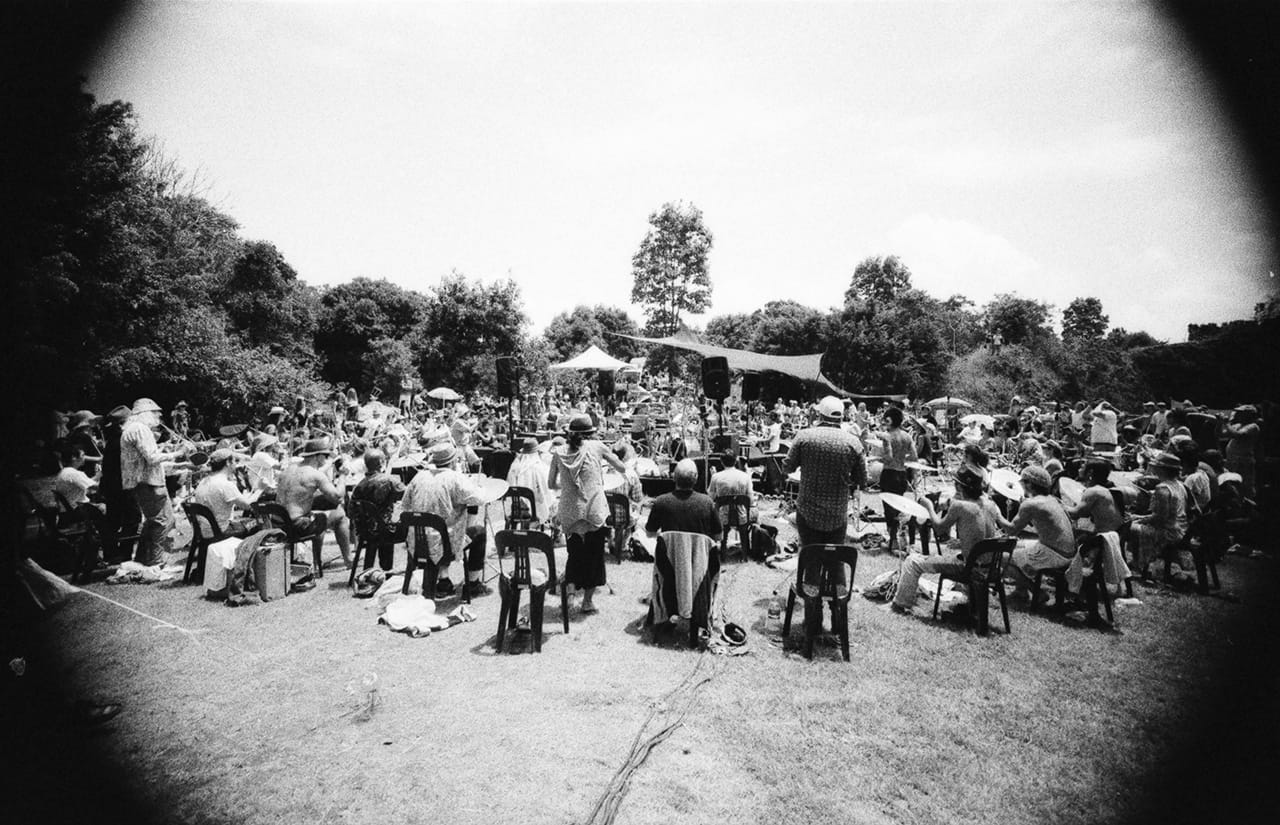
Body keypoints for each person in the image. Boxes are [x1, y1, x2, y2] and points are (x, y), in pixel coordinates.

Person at [889, 464, 1001, 615]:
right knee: (955, 557)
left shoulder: (960, 505)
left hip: (969, 568)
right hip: (991, 568)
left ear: (959, 486)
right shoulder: (990, 504)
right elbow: (981, 536)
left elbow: (939, 529)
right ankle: (972, 606)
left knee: (912, 562)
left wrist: (929, 506)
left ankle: (899, 604)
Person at [548, 414, 628, 614]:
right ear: (590, 433)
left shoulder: (558, 452)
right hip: (593, 509)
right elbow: (622, 467)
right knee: (594, 555)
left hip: (569, 510)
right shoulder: (598, 447)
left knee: (574, 553)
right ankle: (588, 602)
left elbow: (551, 484)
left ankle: (571, 594)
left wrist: (568, 487)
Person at [644, 459, 722, 633]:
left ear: (674, 477)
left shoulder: (662, 501)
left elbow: (649, 533)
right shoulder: (707, 502)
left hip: (668, 567)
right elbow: (718, 536)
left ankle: (665, 612)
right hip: (699, 569)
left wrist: (671, 542)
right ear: (696, 479)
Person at [401, 442, 487, 596]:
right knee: (478, 532)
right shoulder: (454, 478)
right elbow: (479, 499)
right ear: (453, 461)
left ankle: (444, 580)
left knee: (444, 524)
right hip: (444, 544)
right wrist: (477, 488)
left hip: (416, 543)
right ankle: (473, 583)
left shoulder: (419, 476)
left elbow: (405, 504)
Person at [782, 396, 867, 549]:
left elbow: (787, 467)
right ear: (842, 417)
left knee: (810, 559)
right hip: (837, 513)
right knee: (835, 561)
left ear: (819, 415)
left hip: (808, 511)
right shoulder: (853, 442)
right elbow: (862, 479)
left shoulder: (804, 436)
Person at [119, 398, 187, 567]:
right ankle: (156, 561)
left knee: (153, 522)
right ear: (145, 414)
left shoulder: (132, 429)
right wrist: (178, 453)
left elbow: (148, 461)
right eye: (156, 413)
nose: (159, 417)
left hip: (144, 483)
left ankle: (143, 559)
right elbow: (152, 458)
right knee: (163, 521)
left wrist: (180, 464)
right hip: (149, 484)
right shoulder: (141, 429)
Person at [275, 437, 352, 577]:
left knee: (318, 515)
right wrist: (342, 475)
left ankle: (318, 563)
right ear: (318, 456)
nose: (327, 459)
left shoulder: (288, 470)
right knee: (339, 515)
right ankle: (347, 560)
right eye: (326, 456)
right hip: (297, 526)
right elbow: (338, 496)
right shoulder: (315, 475)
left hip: (278, 524)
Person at [1002, 465, 1077, 602]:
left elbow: (1011, 529)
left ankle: (1036, 591)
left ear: (1029, 484)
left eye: (1023, 482)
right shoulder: (1053, 499)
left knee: (1001, 557)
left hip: (1054, 554)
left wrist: (995, 513)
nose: (1021, 486)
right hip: (1067, 552)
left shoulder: (1031, 504)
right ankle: (1020, 591)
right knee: (1015, 544)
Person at [1128, 451, 1188, 580]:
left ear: (1161, 469)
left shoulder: (1162, 489)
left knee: (1130, 528)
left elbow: (1159, 518)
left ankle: (1138, 563)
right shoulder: (1180, 485)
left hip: (1168, 531)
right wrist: (1138, 517)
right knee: (1133, 521)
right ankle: (1137, 563)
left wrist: (1138, 519)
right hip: (1181, 528)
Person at [350, 449, 405, 573]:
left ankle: (379, 568)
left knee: (382, 526)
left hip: (365, 531)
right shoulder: (389, 480)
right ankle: (391, 569)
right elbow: (408, 495)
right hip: (385, 530)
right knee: (412, 527)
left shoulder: (359, 485)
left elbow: (351, 511)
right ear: (381, 462)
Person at [871, 405, 915, 554]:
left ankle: (894, 541)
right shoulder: (908, 436)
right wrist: (901, 458)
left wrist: (878, 458)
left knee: (889, 510)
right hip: (902, 474)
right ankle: (901, 540)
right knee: (899, 508)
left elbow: (888, 457)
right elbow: (914, 456)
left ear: (890, 421)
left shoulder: (887, 436)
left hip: (889, 474)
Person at [192, 448, 262, 538]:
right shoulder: (225, 484)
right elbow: (248, 505)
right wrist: (260, 489)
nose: (236, 464)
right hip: (221, 530)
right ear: (228, 463)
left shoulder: (203, 481)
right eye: (234, 461)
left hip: (205, 530)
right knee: (259, 521)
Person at [707, 449, 755, 553]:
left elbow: (710, 498)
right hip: (742, 516)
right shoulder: (745, 477)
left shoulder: (716, 477)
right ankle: (746, 550)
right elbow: (751, 500)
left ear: (721, 461)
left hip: (722, 517)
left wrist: (713, 477)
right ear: (736, 460)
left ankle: (721, 547)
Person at [506, 436, 553, 528]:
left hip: (517, 507)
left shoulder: (515, 466)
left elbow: (509, 485)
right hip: (534, 508)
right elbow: (546, 489)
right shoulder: (538, 467)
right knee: (553, 502)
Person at [1224, 405, 1261, 499]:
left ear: (1249, 415)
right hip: (1232, 460)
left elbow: (1238, 435)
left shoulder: (1253, 426)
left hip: (1243, 461)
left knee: (1245, 487)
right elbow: (1221, 434)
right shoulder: (1238, 425)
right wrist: (1220, 423)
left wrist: (1227, 423)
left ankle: (1249, 508)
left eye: (1242, 413)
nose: (1238, 415)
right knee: (1232, 485)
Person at [54, 442, 99, 511]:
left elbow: (87, 483)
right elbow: (97, 487)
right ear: (74, 458)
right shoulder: (75, 474)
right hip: (79, 510)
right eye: (83, 455)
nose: (84, 458)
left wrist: (99, 475)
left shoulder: (65, 472)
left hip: (70, 508)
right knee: (106, 507)